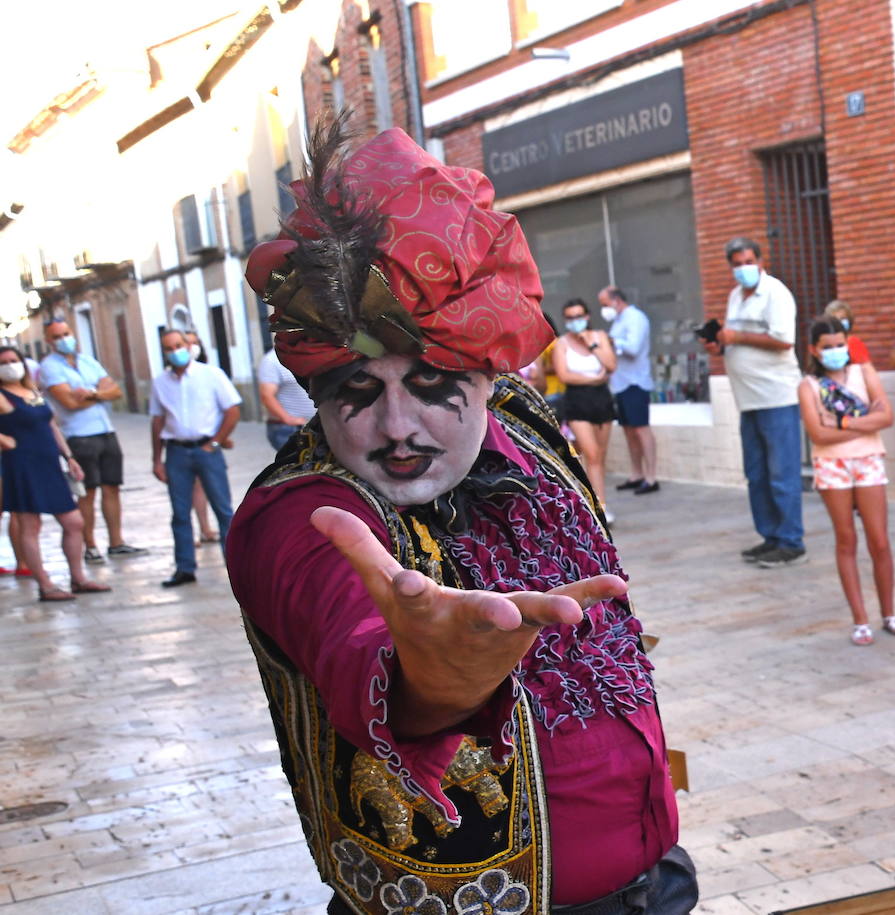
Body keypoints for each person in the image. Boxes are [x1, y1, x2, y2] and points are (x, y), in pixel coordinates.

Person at [229, 120, 696, 914]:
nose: (398, 427)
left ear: (488, 372)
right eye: (359, 392)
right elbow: (352, 632)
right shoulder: (304, 516)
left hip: (657, 883)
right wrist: (433, 682)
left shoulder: (526, 423)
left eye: (432, 380)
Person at [798, 317, 895, 645]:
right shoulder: (808, 386)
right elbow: (817, 433)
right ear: (814, 350)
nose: (835, 351)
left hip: (869, 459)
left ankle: (889, 613)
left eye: (839, 344)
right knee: (846, 539)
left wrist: (840, 421)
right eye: (827, 346)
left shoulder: (864, 372)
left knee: (880, 540)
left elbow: (886, 417)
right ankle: (860, 620)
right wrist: (862, 421)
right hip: (831, 465)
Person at [702, 237, 806, 568]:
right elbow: (737, 339)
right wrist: (720, 344)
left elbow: (783, 340)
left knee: (782, 473)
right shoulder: (736, 296)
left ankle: (791, 541)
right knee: (757, 474)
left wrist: (736, 337)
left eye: (749, 261)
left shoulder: (776, 294)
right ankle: (770, 536)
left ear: (761, 261)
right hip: (747, 400)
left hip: (777, 397)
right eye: (737, 263)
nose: (743, 268)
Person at [0, 345, 111, 601]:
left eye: (13, 360)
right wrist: (5, 440)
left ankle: (78, 578)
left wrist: (69, 456)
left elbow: (51, 425)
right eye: (3, 362)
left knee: (74, 522)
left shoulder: (32, 391)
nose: (9, 365)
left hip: (50, 464)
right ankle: (45, 585)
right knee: (31, 525)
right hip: (22, 465)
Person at [38, 319, 147, 564]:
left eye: (66, 333)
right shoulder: (49, 368)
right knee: (87, 492)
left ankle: (116, 542)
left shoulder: (88, 361)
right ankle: (90, 545)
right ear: (48, 341)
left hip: (105, 431)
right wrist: (98, 393)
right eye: (57, 336)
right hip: (78, 436)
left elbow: (115, 391)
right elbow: (69, 403)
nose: (64, 339)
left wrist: (92, 393)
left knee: (112, 487)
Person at [149, 329, 241, 587]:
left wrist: (215, 442)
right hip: (176, 452)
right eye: (170, 347)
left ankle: (235, 566)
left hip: (206, 450)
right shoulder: (160, 383)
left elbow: (232, 410)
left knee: (223, 509)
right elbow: (157, 421)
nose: (176, 351)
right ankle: (184, 567)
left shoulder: (210, 375)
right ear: (164, 352)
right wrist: (157, 459)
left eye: (179, 345)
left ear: (188, 346)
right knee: (179, 513)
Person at [552, 298, 618, 520]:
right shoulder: (562, 344)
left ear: (587, 316)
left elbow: (611, 365)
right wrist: (593, 379)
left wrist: (591, 345)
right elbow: (564, 375)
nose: (575, 321)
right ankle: (597, 508)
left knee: (599, 456)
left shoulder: (599, 337)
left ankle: (595, 501)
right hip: (577, 401)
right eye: (570, 318)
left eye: (579, 316)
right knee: (591, 454)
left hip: (602, 400)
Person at [599, 286, 659, 495]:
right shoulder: (618, 321)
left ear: (616, 300)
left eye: (605, 304)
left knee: (641, 429)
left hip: (636, 382)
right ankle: (637, 474)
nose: (604, 309)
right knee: (628, 430)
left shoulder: (635, 318)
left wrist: (610, 342)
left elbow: (633, 348)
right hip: (620, 382)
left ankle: (651, 477)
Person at [182, 330, 221, 544]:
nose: (191, 347)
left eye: (195, 342)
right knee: (190, 488)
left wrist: (220, 437)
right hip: (186, 442)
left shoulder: (210, 373)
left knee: (209, 487)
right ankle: (201, 528)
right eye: (187, 343)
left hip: (209, 440)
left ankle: (207, 527)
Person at [258, 346, 315, 451]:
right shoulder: (272, 360)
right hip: (290, 429)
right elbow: (266, 395)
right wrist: (288, 419)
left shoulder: (311, 354)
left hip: (314, 425)